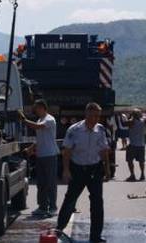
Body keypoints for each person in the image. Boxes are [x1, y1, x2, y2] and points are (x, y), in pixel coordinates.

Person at [56, 103, 110, 243]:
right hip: (78, 169)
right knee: (70, 200)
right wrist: (66, 170)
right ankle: (59, 229)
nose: (95, 118)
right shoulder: (74, 130)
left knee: (97, 203)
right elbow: (66, 151)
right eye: (93, 115)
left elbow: (104, 150)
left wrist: (107, 169)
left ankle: (95, 236)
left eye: (98, 116)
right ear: (86, 114)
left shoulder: (101, 130)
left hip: (95, 169)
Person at [19, 99, 58, 217]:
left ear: (42, 108)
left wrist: (24, 120)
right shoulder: (40, 119)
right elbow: (39, 139)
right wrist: (30, 149)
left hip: (50, 155)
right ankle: (42, 207)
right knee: (41, 183)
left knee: (50, 182)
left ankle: (52, 207)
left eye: (36, 108)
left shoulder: (49, 119)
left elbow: (38, 127)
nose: (35, 110)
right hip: (41, 155)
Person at [122, 109, 146, 182]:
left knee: (129, 160)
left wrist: (121, 116)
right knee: (141, 161)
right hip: (141, 144)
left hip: (133, 144)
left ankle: (132, 175)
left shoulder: (131, 122)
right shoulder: (142, 121)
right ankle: (142, 175)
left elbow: (123, 124)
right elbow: (145, 119)